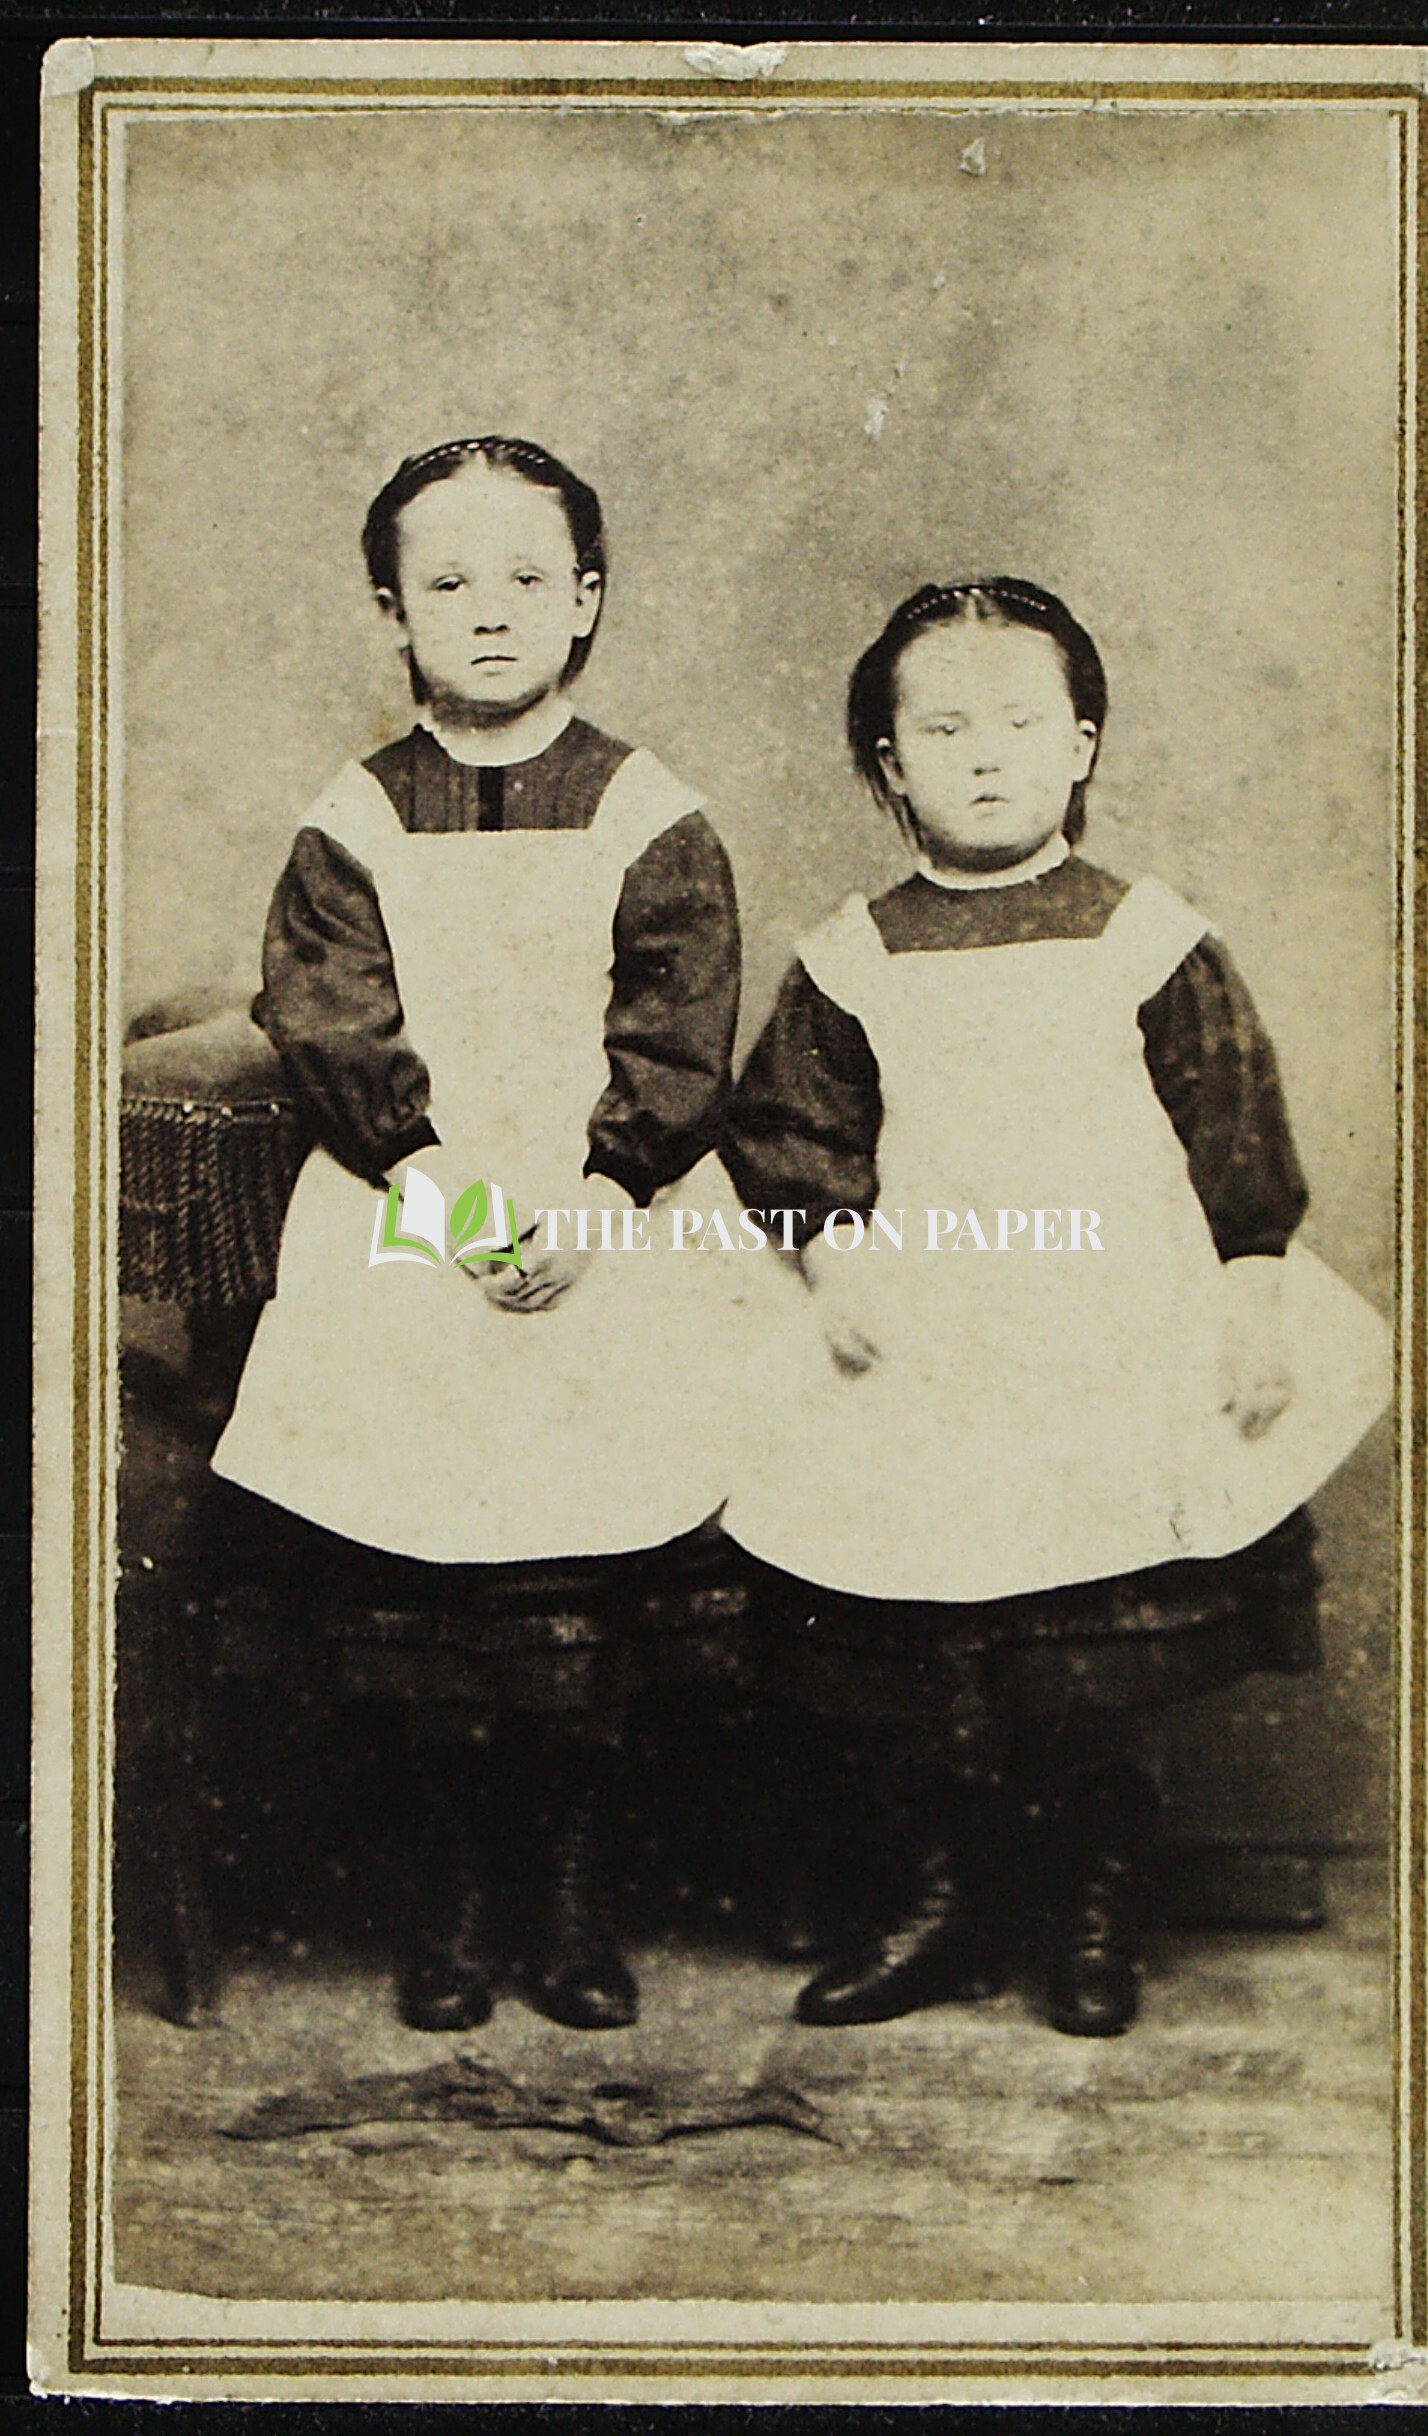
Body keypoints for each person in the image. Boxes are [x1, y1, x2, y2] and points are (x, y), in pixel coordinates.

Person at [722, 577, 1389, 2036]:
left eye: (1020, 723)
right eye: (942, 726)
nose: (984, 754)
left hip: (1108, 1325)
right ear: (886, 762)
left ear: (1080, 743)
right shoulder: (850, 954)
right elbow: (792, 1131)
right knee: (937, 1629)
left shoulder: (1147, 938)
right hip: (934, 1335)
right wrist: (831, 1261)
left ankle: (1090, 1904)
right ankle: (949, 1901)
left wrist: (1253, 1291)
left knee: (1084, 1643)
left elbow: (1234, 1129)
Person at [212, 435, 740, 2034]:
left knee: (579, 1585)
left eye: (527, 577)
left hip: (605, 1215)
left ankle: (568, 1897)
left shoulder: (652, 811)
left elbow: (678, 1018)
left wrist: (599, 1188)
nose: (489, 612)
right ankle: (446, 1899)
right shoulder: (351, 819)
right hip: (407, 1215)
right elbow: (328, 1013)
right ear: (391, 610)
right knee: (427, 1602)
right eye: (446, 582)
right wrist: (435, 1187)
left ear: (585, 600)